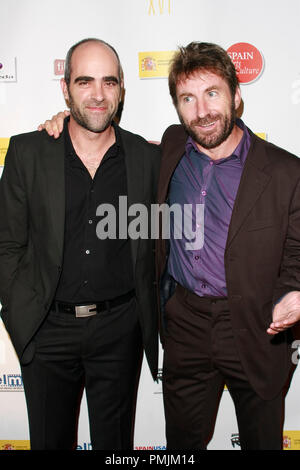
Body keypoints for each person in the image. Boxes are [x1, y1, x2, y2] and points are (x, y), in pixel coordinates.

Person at [0, 38, 160, 450]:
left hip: (119, 330)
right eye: (84, 81)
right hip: (47, 331)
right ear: (65, 88)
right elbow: (6, 243)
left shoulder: (146, 157)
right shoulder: (28, 152)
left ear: (122, 89)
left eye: (109, 82)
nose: (97, 94)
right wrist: (23, 320)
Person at [155, 41, 300, 450]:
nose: (202, 111)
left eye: (212, 93)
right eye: (188, 98)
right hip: (185, 324)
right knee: (181, 445)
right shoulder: (170, 147)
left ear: (237, 95)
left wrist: (293, 290)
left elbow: (297, 248)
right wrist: (60, 122)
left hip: (258, 326)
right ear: (178, 107)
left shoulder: (286, 171)